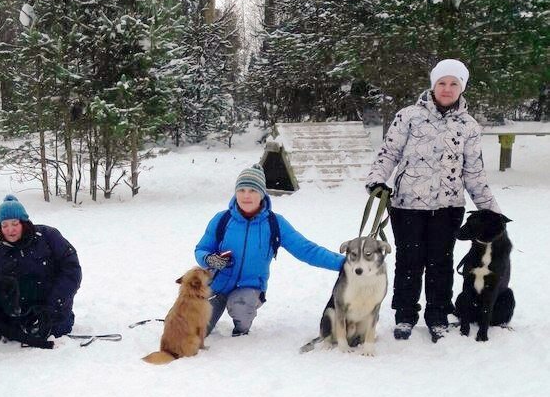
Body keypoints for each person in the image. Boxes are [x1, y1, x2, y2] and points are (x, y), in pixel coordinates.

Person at [365, 58, 501, 342]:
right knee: (409, 261)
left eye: (454, 84)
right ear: (433, 85)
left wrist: (492, 212)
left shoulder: (469, 126)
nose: (447, 89)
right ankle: (404, 315)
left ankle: (437, 315)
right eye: (442, 83)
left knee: (441, 262)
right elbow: (388, 153)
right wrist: (377, 181)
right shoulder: (409, 116)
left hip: (448, 208)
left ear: (462, 88)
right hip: (406, 206)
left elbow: (474, 172)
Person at [195, 164, 344, 337]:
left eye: (252, 190)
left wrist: (344, 263)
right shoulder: (222, 219)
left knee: (241, 306)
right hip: (216, 286)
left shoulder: (275, 223)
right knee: (194, 330)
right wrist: (209, 259)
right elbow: (201, 249)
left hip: (249, 288)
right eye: (241, 190)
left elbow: (307, 250)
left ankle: (241, 330)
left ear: (262, 193)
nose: (246, 196)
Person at [0, 194, 81, 347]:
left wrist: (53, 305)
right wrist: (10, 317)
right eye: (4, 225)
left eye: (14, 223)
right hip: (19, 317)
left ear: (23, 222)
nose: (10, 230)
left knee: (58, 330)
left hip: (55, 310)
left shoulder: (48, 237)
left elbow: (71, 271)